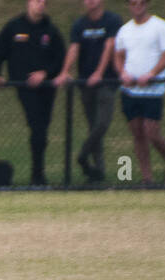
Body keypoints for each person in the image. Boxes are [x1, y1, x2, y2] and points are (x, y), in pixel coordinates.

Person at [0, 0, 67, 185]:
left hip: (46, 88)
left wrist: (45, 73)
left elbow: (60, 58)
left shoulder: (51, 30)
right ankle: (37, 175)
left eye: (43, 2)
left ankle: (38, 173)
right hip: (25, 87)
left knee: (42, 129)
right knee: (37, 126)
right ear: (28, 3)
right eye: (36, 1)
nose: (39, 5)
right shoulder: (14, 27)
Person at [54, 0, 124, 183]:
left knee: (102, 124)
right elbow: (74, 48)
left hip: (106, 82)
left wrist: (99, 73)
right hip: (85, 84)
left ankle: (82, 155)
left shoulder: (112, 20)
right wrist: (65, 71)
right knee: (93, 127)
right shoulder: (79, 24)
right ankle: (98, 172)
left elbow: (110, 46)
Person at [114, 0, 165, 182]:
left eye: (140, 3)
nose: (137, 7)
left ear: (146, 4)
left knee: (151, 132)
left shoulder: (159, 26)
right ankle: (147, 178)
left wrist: (152, 74)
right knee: (137, 133)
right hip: (131, 91)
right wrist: (122, 72)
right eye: (133, 3)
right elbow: (118, 55)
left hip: (152, 90)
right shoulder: (125, 30)